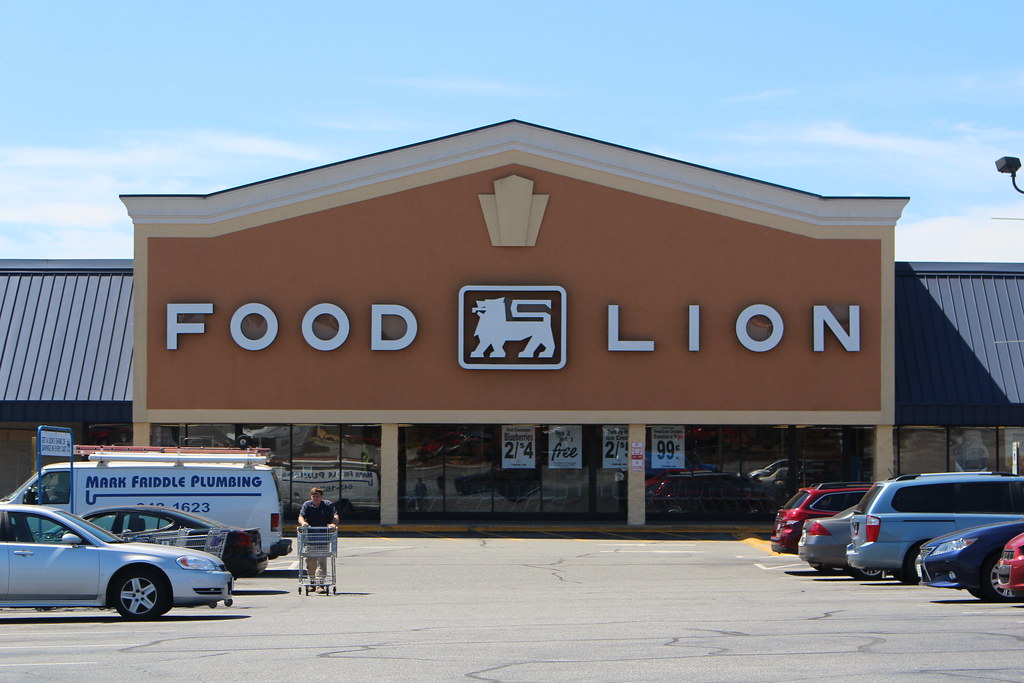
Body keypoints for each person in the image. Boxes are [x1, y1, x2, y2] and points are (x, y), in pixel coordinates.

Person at [298, 487, 339, 593]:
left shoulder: (328, 505)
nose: (315, 498)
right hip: (310, 539)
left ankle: (320, 585)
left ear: (322, 497)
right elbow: (301, 517)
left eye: (317, 496)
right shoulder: (307, 505)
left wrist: (333, 524)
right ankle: (312, 582)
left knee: (322, 562)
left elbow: (335, 515)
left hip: (324, 538)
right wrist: (303, 523)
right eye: (313, 496)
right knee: (311, 562)